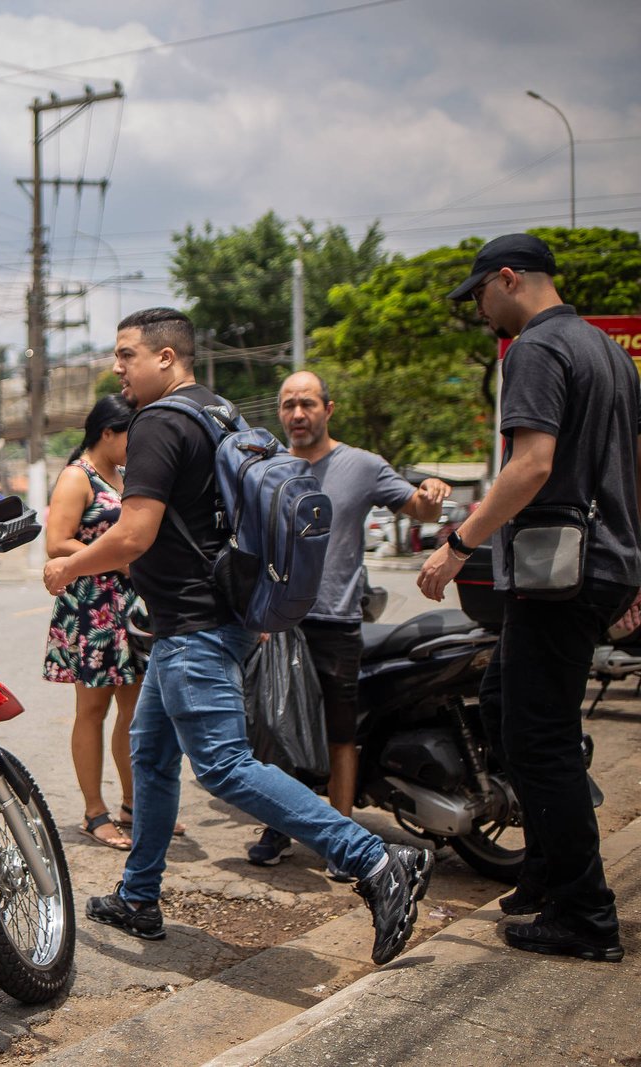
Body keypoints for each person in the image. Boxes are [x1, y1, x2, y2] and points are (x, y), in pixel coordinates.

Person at [42, 307, 432, 966]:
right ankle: (139, 895)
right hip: (198, 619)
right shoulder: (216, 410)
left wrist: (67, 565)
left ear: (167, 357)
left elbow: (134, 533)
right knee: (153, 756)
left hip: (196, 624)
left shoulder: (160, 422)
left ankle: (377, 858)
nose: (118, 367)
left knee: (223, 766)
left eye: (126, 353)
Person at [419, 234, 640, 963]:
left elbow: (532, 464)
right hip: (596, 565)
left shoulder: (536, 351)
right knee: (510, 709)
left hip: (560, 570)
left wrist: (459, 543)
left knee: (541, 740)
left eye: (481, 295)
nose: (483, 313)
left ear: (509, 279)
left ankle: (585, 912)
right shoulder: (608, 352)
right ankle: (544, 873)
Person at [247, 371, 452, 876]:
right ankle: (279, 826)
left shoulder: (362, 465)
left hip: (337, 620)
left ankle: (341, 840)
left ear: (328, 409)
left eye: (308, 404)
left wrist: (431, 492)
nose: (298, 414)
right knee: (275, 729)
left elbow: (418, 509)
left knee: (342, 733)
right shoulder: (266, 468)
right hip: (278, 622)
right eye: (289, 405)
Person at [44, 394, 179, 849]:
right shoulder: (75, 476)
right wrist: (111, 561)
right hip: (91, 607)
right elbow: (56, 543)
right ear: (107, 433)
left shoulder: (119, 476)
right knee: (93, 711)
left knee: (134, 712)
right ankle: (94, 813)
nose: (135, 447)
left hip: (129, 609)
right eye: (130, 436)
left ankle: (133, 804)